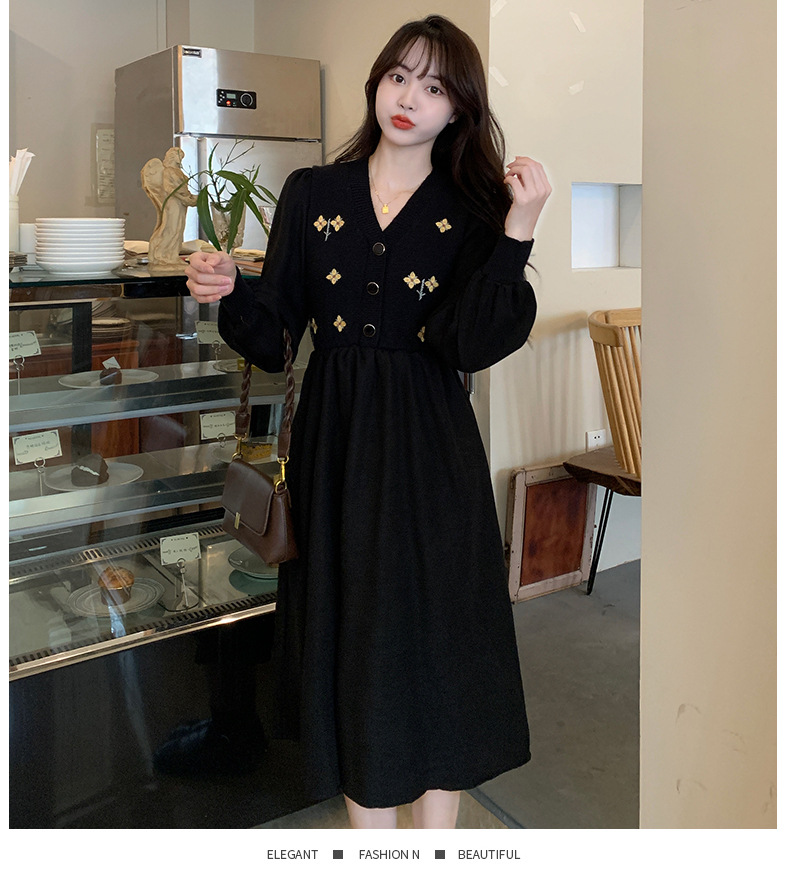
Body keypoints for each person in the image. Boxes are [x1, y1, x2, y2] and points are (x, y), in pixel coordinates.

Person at [186, 14, 551, 829]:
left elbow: (469, 343)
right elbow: (277, 340)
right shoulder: (314, 193)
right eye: (399, 76)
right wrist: (232, 292)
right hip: (338, 446)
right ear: (377, 82)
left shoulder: (474, 209)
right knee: (352, 635)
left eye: (434, 86)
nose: (409, 97)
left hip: (431, 450)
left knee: (436, 636)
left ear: (458, 109)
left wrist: (518, 233)